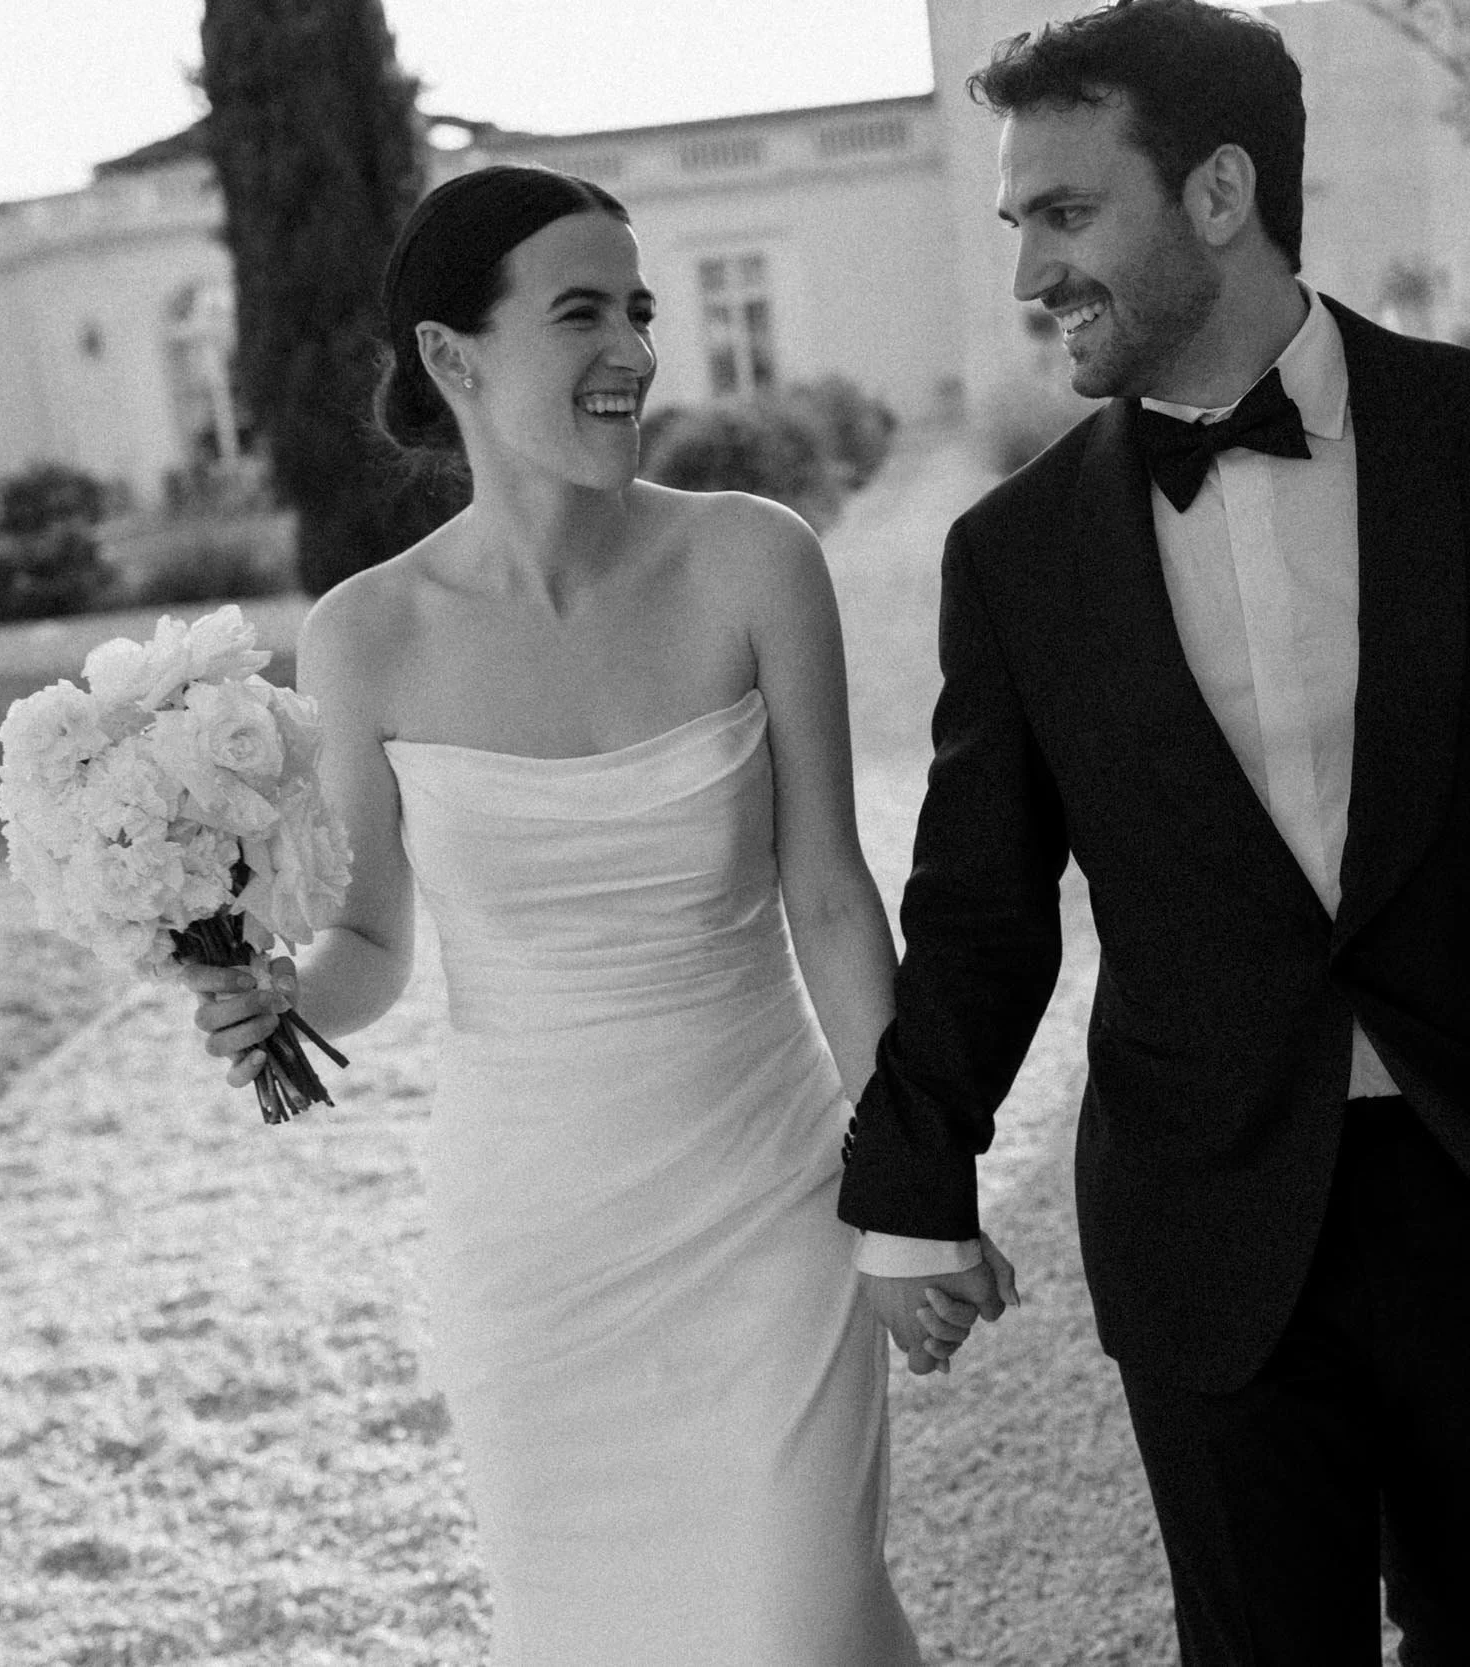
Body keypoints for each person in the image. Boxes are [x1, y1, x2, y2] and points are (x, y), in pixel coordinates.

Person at [836, 3, 1470, 1662]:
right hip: (1206, 1218)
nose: (1030, 273)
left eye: (1068, 212)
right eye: (1015, 222)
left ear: (1222, 191)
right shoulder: (1016, 560)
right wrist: (912, 1181)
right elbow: (979, 908)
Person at [183, 164, 1012, 1667]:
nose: (634, 348)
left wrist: (916, 1183)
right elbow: (375, 939)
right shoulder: (364, 634)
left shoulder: (753, 558)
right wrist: (282, 1000)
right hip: (537, 1244)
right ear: (454, 357)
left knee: (801, 1630)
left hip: (769, 1198)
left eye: (638, 309)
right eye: (582, 313)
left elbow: (828, 894)